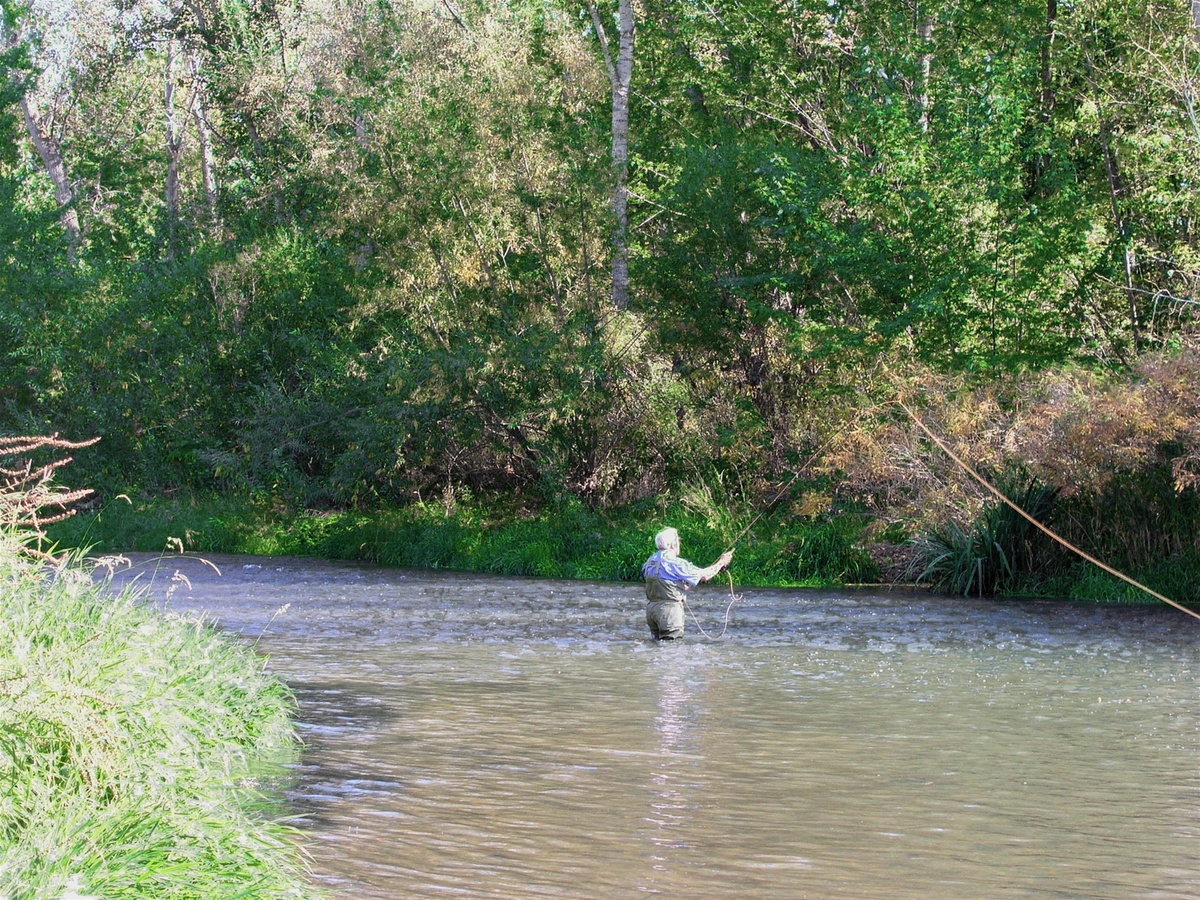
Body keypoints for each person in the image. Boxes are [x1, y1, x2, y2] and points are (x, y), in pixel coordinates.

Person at [641, 527, 733, 640]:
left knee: (655, 646)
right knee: (672, 649)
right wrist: (721, 563)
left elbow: (659, 581)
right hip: (669, 613)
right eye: (678, 541)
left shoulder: (650, 561)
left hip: (651, 611)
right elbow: (704, 575)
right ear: (672, 545)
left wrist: (680, 587)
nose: (679, 543)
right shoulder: (675, 563)